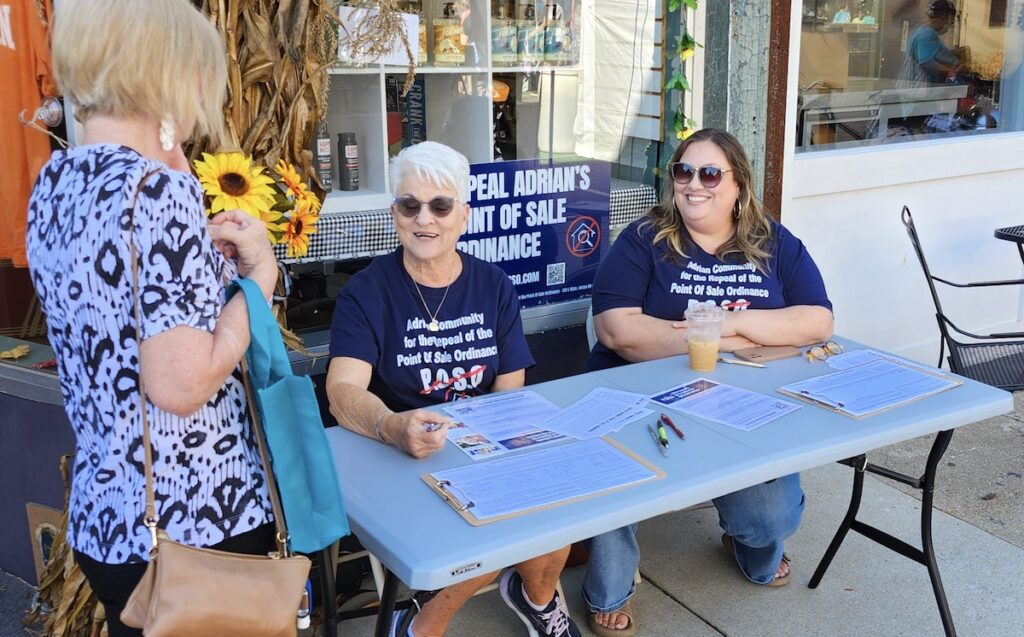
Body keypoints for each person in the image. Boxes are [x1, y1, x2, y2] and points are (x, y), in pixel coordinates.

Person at [25, 2, 280, 636]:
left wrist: (206, 269)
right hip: (195, 520)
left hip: (109, 519)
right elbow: (182, 384)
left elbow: (118, 318)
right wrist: (256, 285)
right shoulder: (159, 194)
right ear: (171, 73)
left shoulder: (56, 183)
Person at [582, 128, 834, 637]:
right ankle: (609, 587)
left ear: (738, 184)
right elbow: (617, 330)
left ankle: (747, 541)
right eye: (683, 171)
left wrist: (728, 326)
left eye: (710, 173)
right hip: (639, 393)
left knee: (771, 519)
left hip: (743, 401)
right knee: (612, 471)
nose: (694, 184)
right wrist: (731, 336)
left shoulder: (773, 242)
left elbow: (817, 321)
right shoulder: (645, 240)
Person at [325, 141, 580, 637]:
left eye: (440, 206)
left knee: (560, 509)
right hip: (399, 457)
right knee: (490, 533)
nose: (425, 219)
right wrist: (391, 425)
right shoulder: (368, 291)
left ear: (463, 215)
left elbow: (511, 394)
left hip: (479, 449)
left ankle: (536, 598)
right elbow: (341, 391)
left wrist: (503, 453)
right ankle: (425, 625)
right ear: (394, 212)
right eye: (409, 204)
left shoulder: (493, 284)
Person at [897, 0, 961, 86]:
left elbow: (934, 52)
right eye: (950, 23)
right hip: (916, 90)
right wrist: (951, 72)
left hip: (910, 88)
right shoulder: (927, 34)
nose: (948, 27)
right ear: (943, 18)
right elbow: (926, 63)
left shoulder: (921, 31)